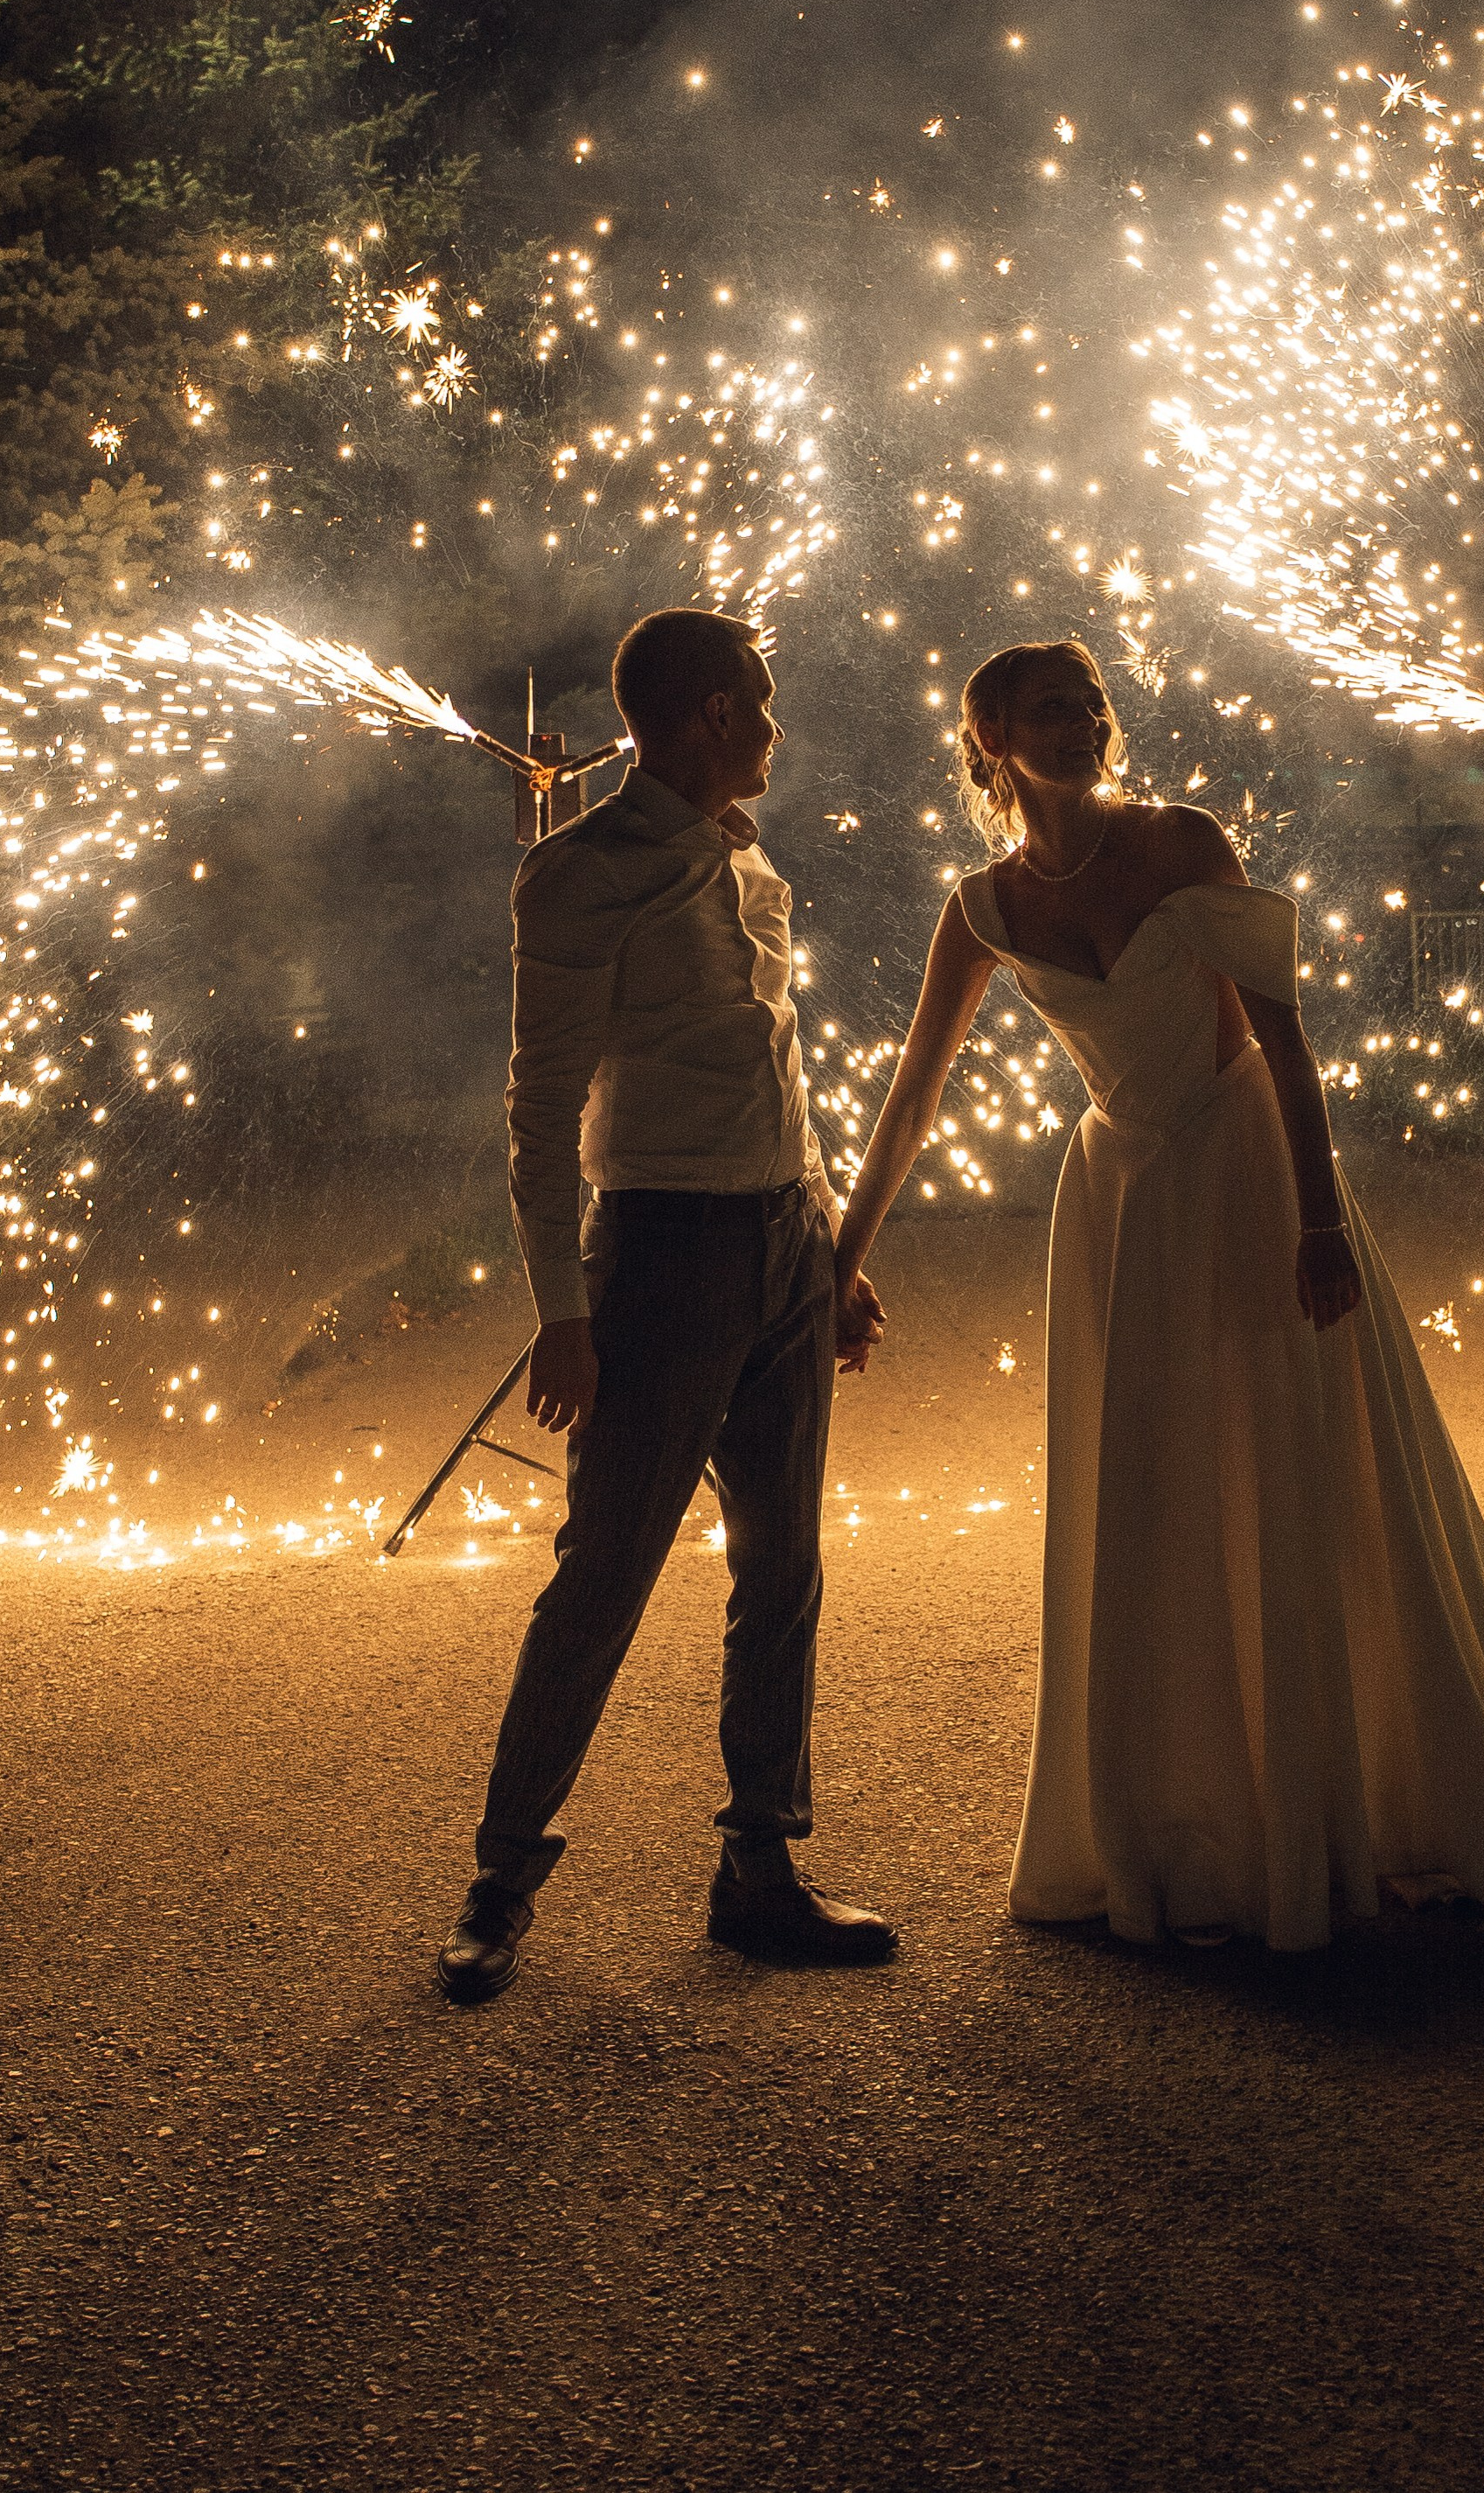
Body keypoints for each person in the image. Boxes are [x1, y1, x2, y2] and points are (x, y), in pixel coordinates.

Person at [831, 638, 1484, 1954]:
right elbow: (913, 1092)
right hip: (1116, 1198)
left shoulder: (1180, 842)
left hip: (1244, 1168)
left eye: (1094, 701)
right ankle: (1178, 1823)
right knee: (1151, 1492)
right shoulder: (979, 905)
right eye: (1053, 706)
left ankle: (1343, 1811)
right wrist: (840, 1255)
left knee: (1294, 1469)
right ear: (988, 735)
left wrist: (1319, 1216)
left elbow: (1282, 1034)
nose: (1087, 720)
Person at [435, 610, 895, 2002]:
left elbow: (779, 1069)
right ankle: (500, 1880)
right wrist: (562, 1309)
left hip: (776, 1244)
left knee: (782, 1566)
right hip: (661, 1253)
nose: (772, 724)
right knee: (608, 1571)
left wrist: (827, 1244)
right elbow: (537, 1107)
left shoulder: (755, 862)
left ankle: (760, 1868)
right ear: (706, 711)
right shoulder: (577, 873)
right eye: (758, 701)